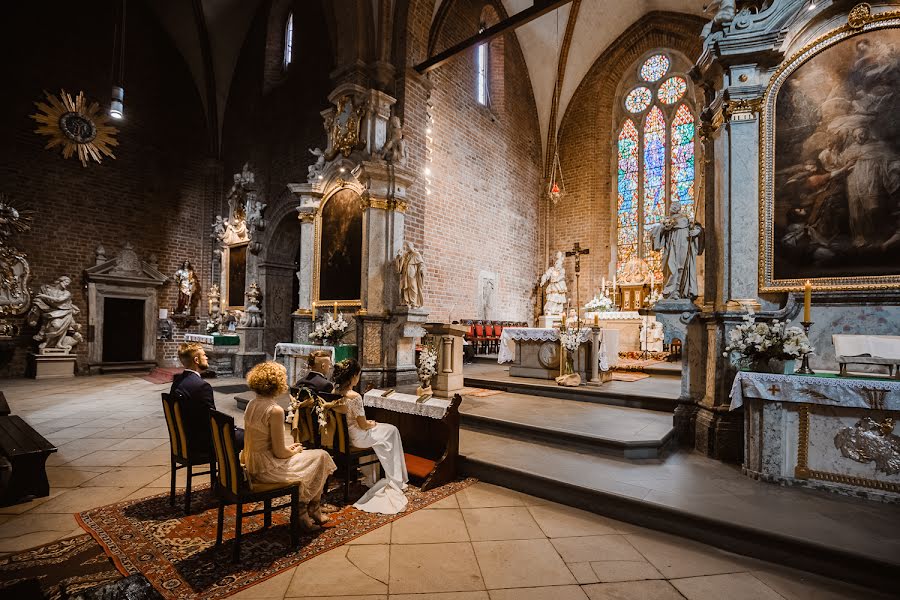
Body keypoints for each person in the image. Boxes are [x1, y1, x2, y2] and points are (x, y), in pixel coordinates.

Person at [242, 361, 336, 530]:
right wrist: (294, 451)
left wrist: (289, 449)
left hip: (252, 462)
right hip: (267, 469)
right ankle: (306, 511)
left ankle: (311, 509)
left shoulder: (252, 404)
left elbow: (266, 442)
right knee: (322, 456)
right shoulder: (274, 410)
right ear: (277, 383)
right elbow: (279, 453)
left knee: (316, 457)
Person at [332, 358, 409, 515]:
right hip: (358, 437)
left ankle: (371, 476)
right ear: (353, 376)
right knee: (392, 430)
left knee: (386, 433)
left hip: (344, 437)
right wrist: (372, 424)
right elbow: (363, 425)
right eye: (358, 374)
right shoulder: (354, 396)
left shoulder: (334, 392)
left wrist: (368, 424)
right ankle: (395, 478)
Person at [170, 342, 243, 454]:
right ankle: (233, 471)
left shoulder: (177, 381)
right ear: (196, 360)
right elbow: (211, 418)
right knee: (248, 437)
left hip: (185, 440)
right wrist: (230, 427)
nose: (207, 357)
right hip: (201, 443)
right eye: (204, 355)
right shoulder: (201, 386)